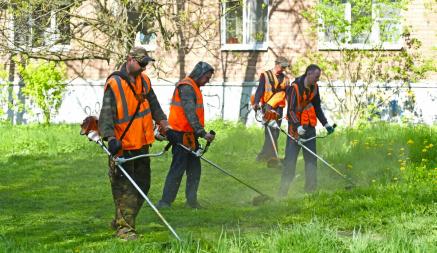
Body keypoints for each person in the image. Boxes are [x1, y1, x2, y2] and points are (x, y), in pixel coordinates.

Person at [98, 47, 169, 240]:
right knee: (126, 190)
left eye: (146, 64)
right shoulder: (115, 84)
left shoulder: (144, 81)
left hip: (142, 143)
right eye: (141, 63)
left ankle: (120, 220)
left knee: (143, 186)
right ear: (129, 59)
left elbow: (154, 106)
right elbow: (105, 116)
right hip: (122, 147)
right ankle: (125, 230)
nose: (144, 68)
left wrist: (165, 125)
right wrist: (111, 139)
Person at [157, 61, 215, 209]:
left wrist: (197, 133)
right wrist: (202, 132)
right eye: (207, 77)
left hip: (190, 135)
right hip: (179, 134)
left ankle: (192, 201)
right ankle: (165, 202)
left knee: (195, 170)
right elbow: (190, 113)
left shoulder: (194, 87)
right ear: (200, 74)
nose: (207, 81)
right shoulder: (187, 87)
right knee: (177, 169)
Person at [279, 64, 334, 195]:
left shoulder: (314, 88)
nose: (317, 80)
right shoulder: (295, 88)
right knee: (290, 162)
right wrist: (297, 126)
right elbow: (290, 110)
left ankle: (310, 191)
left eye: (318, 77)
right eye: (316, 77)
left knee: (311, 160)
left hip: (309, 128)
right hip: (295, 130)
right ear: (309, 74)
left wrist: (326, 124)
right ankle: (282, 193)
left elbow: (317, 107)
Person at [252, 56, 290, 165]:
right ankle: (271, 156)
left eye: (285, 67)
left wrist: (290, 110)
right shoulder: (266, 75)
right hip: (267, 107)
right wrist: (256, 102)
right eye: (282, 67)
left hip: (279, 108)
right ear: (276, 64)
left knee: (275, 131)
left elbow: (288, 95)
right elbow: (260, 90)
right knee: (269, 131)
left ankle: (265, 155)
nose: (283, 69)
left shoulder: (286, 79)